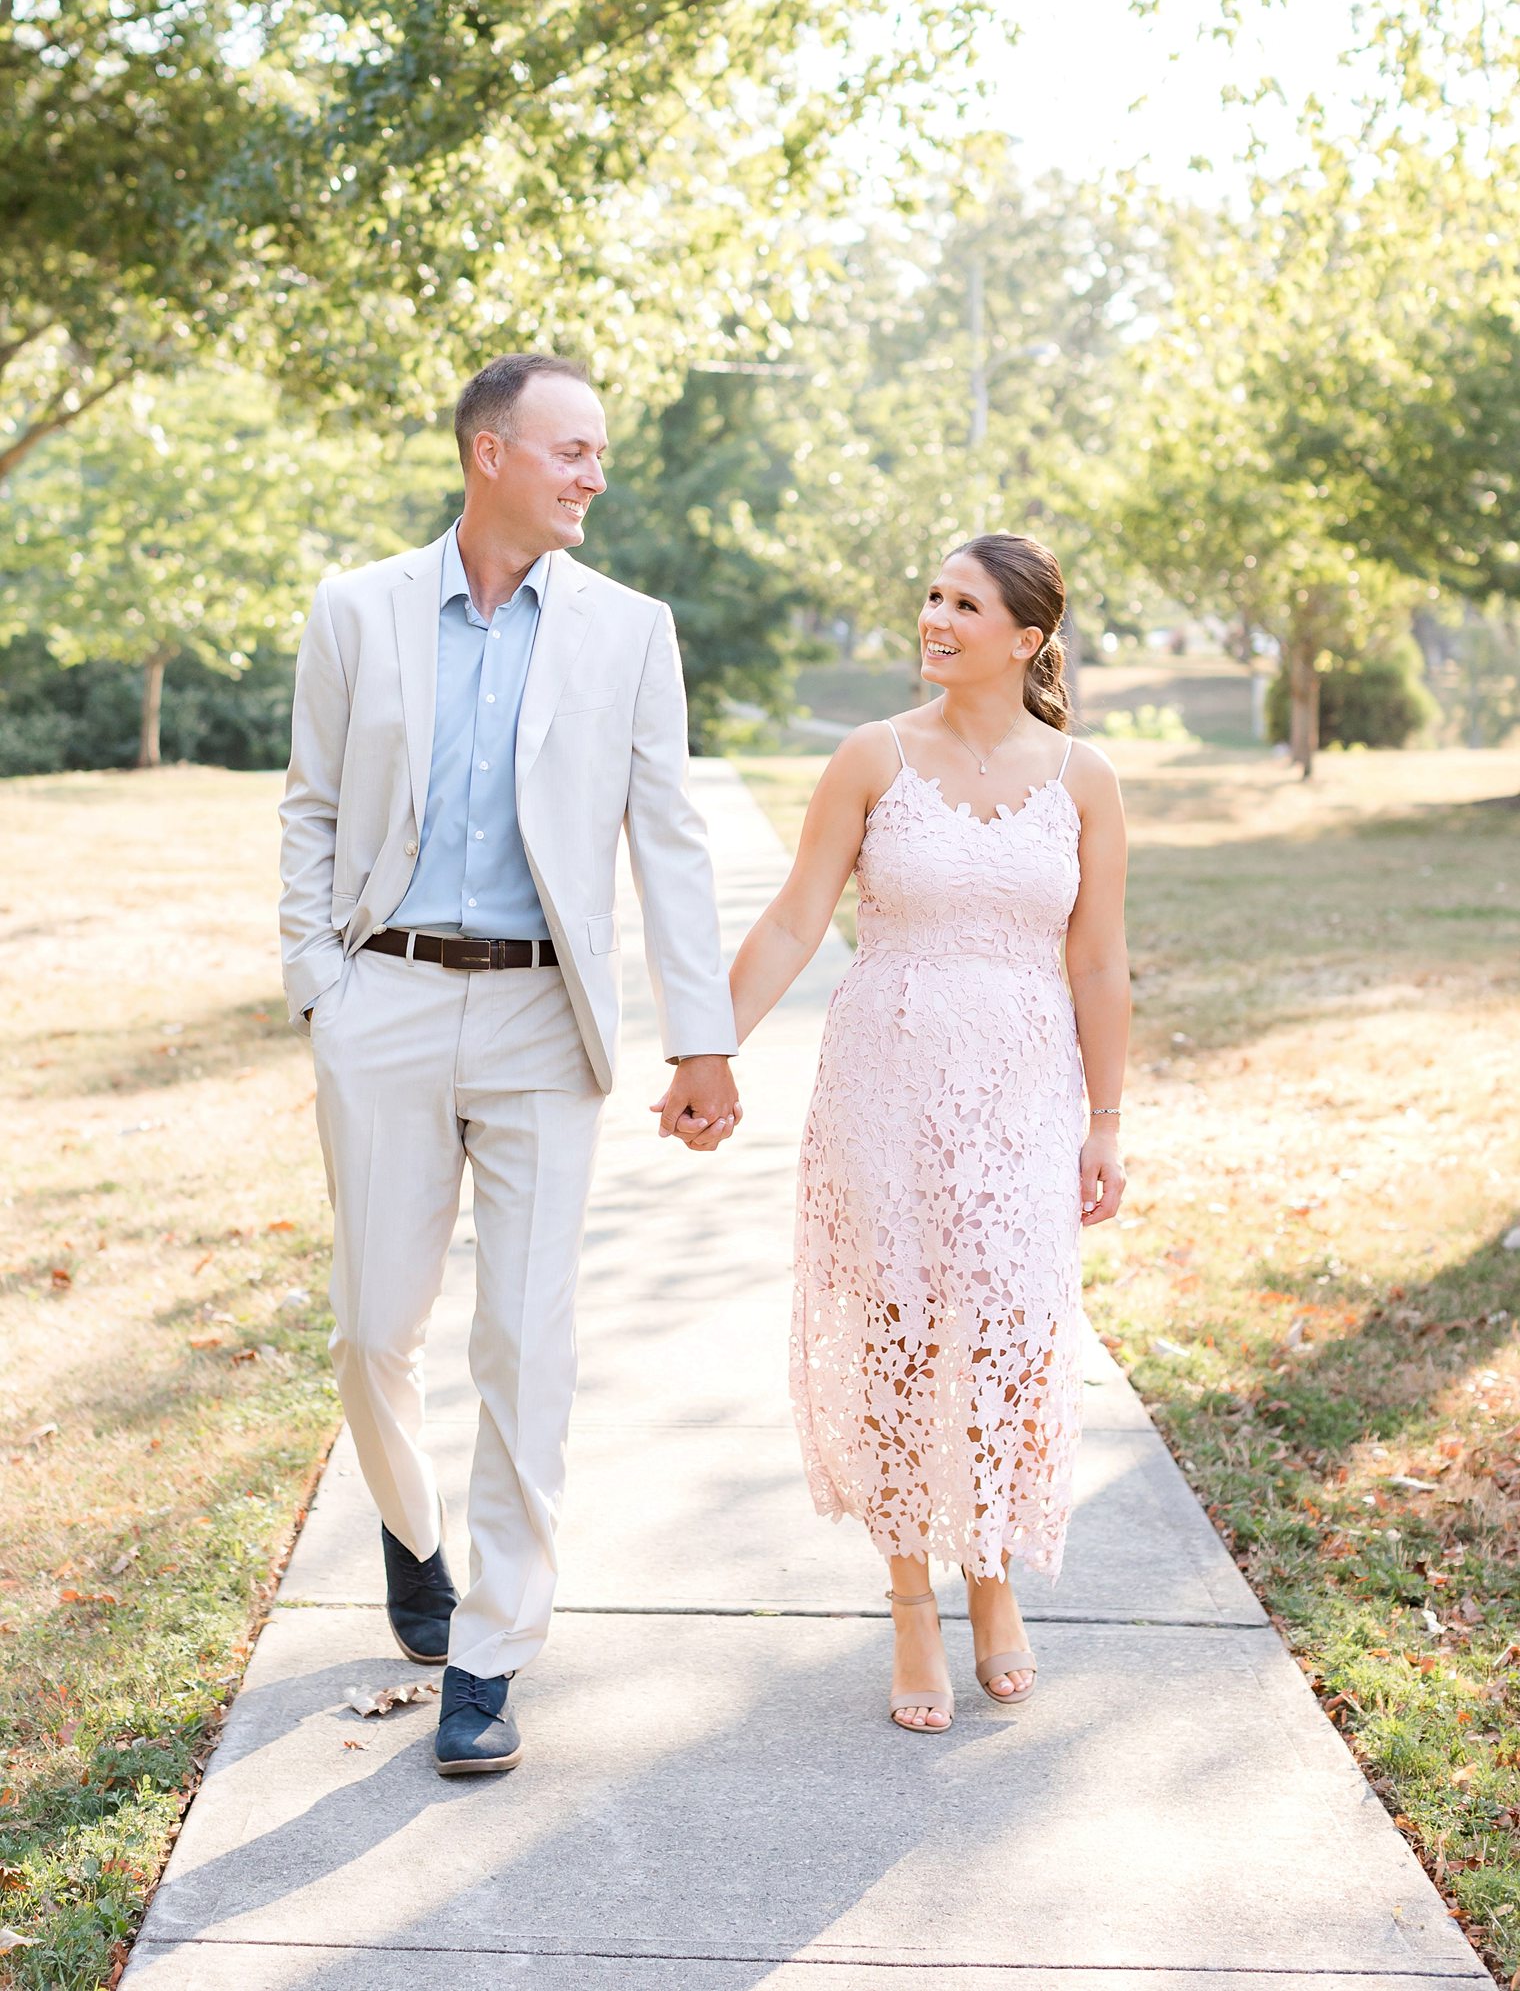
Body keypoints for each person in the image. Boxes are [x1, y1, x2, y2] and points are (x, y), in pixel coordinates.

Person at [278, 352, 740, 1777]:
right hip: (388, 1002)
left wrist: (701, 1033)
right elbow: (310, 808)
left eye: (598, 452)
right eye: (573, 450)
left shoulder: (631, 629)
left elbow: (667, 837)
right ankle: (411, 1534)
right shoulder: (358, 611)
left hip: (546, 1021)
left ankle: (492, 1649)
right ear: (491, 452)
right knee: (373, 1327)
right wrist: (322, 989)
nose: (596, 474)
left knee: (527, 1340)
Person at [726, 533, 1128, 1732]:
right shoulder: (870, 758)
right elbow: (798, 917)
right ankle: (911, 1604)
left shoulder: (1082, 777)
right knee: (901, 1338)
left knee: (1005, 1334)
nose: (935, 618)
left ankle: (992, 1583)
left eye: (965, 604)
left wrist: (1106, 1122)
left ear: (1027, 639)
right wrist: (707, 1046)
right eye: (932, 596)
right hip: (883, 1081)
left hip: (1023, 1092)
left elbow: (1097, 960)